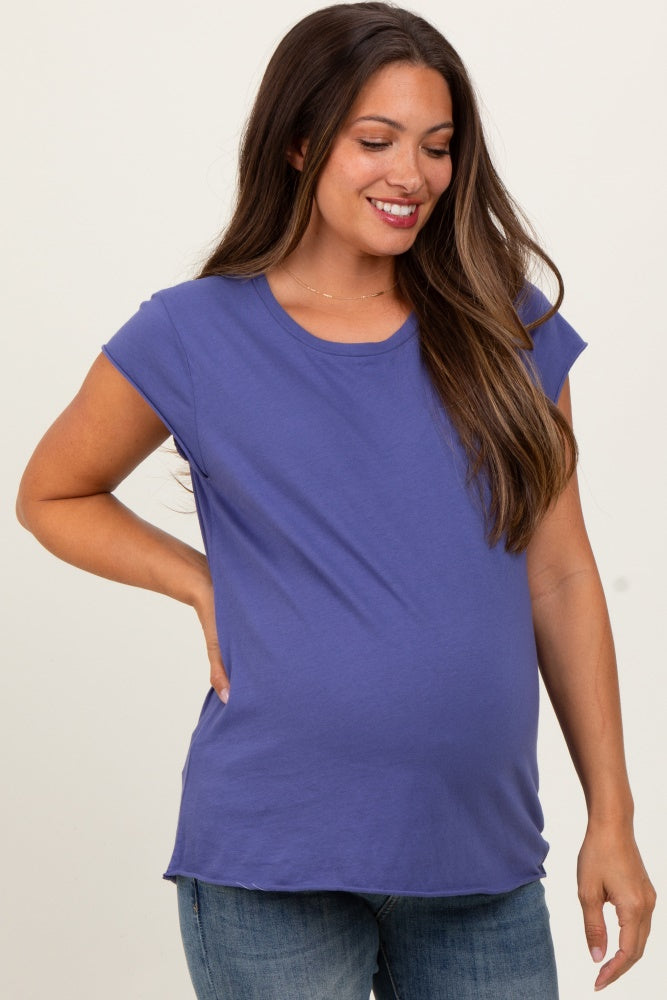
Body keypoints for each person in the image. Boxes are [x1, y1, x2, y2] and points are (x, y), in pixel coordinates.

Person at [16, 3, 655, 998]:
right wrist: (199, 581)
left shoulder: (505, 329)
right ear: (301, 142)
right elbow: (52, 493)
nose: (412, 175)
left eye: (436, 146)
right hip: (271, 856)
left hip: (481, 857)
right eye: (376, 140)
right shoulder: (192, 333)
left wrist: (609, 815)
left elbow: (562, 574)